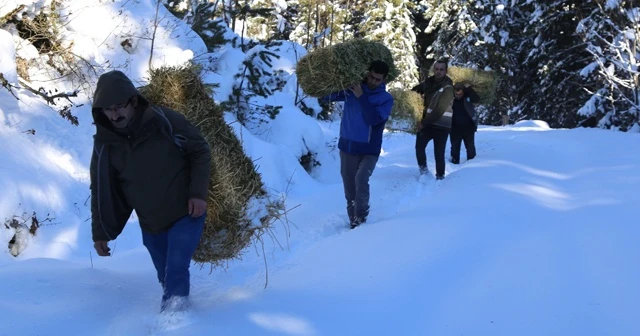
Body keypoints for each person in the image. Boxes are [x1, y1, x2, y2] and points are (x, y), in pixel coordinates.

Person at [89, 70, 211, 312]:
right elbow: (101, 187)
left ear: (133, 101)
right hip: (151, 223)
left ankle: (175, 322)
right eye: (107, 110)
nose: (114, 115)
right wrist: (100, 232)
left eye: (119, 106)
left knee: (176, 268)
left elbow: (200, 150)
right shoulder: (105, 145)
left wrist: (198, 193)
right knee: (165, 275)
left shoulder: (163, 121)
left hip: (186, 213)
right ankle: (177, 306)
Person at [321, 60, 394, 229]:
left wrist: (361, 96)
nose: (374, 82)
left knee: (361, 179)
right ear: (367, 74)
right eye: (372, 77)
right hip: (347, 146)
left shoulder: (385, 99)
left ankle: (360, 217)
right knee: (349, 186)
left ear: (384, 80)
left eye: (378, 79)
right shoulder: (352, 90)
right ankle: (352, 218)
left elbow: (374, 120)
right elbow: (327, 96)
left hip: (370, 149)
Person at [412, 59, 454, 180]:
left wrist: (423, 122)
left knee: (439, 153)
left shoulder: (448, 88)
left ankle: (440, 176)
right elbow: (415, 90)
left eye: (441, 69)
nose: (439, 72)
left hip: (441, 125)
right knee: (419, 147)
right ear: (433, 70)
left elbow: (440, 110)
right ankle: (424, 172)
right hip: (427, 124)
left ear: (446, 71)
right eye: (436, 69)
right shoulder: (428, 83)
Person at [450, 82, 480, 164]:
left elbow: (477, 99)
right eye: (457, 94)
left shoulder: (468, 98)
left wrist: (469, 88)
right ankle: (454, 164)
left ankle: (472, 165)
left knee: (470, 148)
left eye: (460, 94)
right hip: (455, 128)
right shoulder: (451, 99)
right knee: (455, 148)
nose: (458, 96)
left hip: (469, 127)